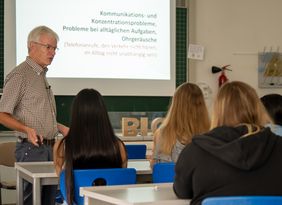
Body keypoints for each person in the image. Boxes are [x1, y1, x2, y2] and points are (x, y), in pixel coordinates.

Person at [173, 81, 282, 205]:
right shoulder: (278, 145)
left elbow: (182, 192)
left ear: (217, 112)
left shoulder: (194, 151)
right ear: (258, 109)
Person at [0, 25, 69, 205]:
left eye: (55, 48)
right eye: (48, 47)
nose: (53, 52)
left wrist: (60, 127)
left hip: (51, 148)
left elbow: (36, 113)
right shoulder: (20, 75)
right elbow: (2, 114)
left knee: (48, 201)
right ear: (32, 46)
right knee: (32, 201)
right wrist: (26, 129)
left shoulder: (40, 75)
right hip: (31, 149)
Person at [53, 88, 127, 205]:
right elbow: (122, 178)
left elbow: (62, 179)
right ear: (103, 114)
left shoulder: (63, 145)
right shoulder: (118, 146)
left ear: (75, 114)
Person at [150, 82, 210, 166]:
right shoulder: (210, 135)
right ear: (201, 105)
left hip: (170, 179)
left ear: (175, 105)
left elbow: (156, 169)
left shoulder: (162, 133)